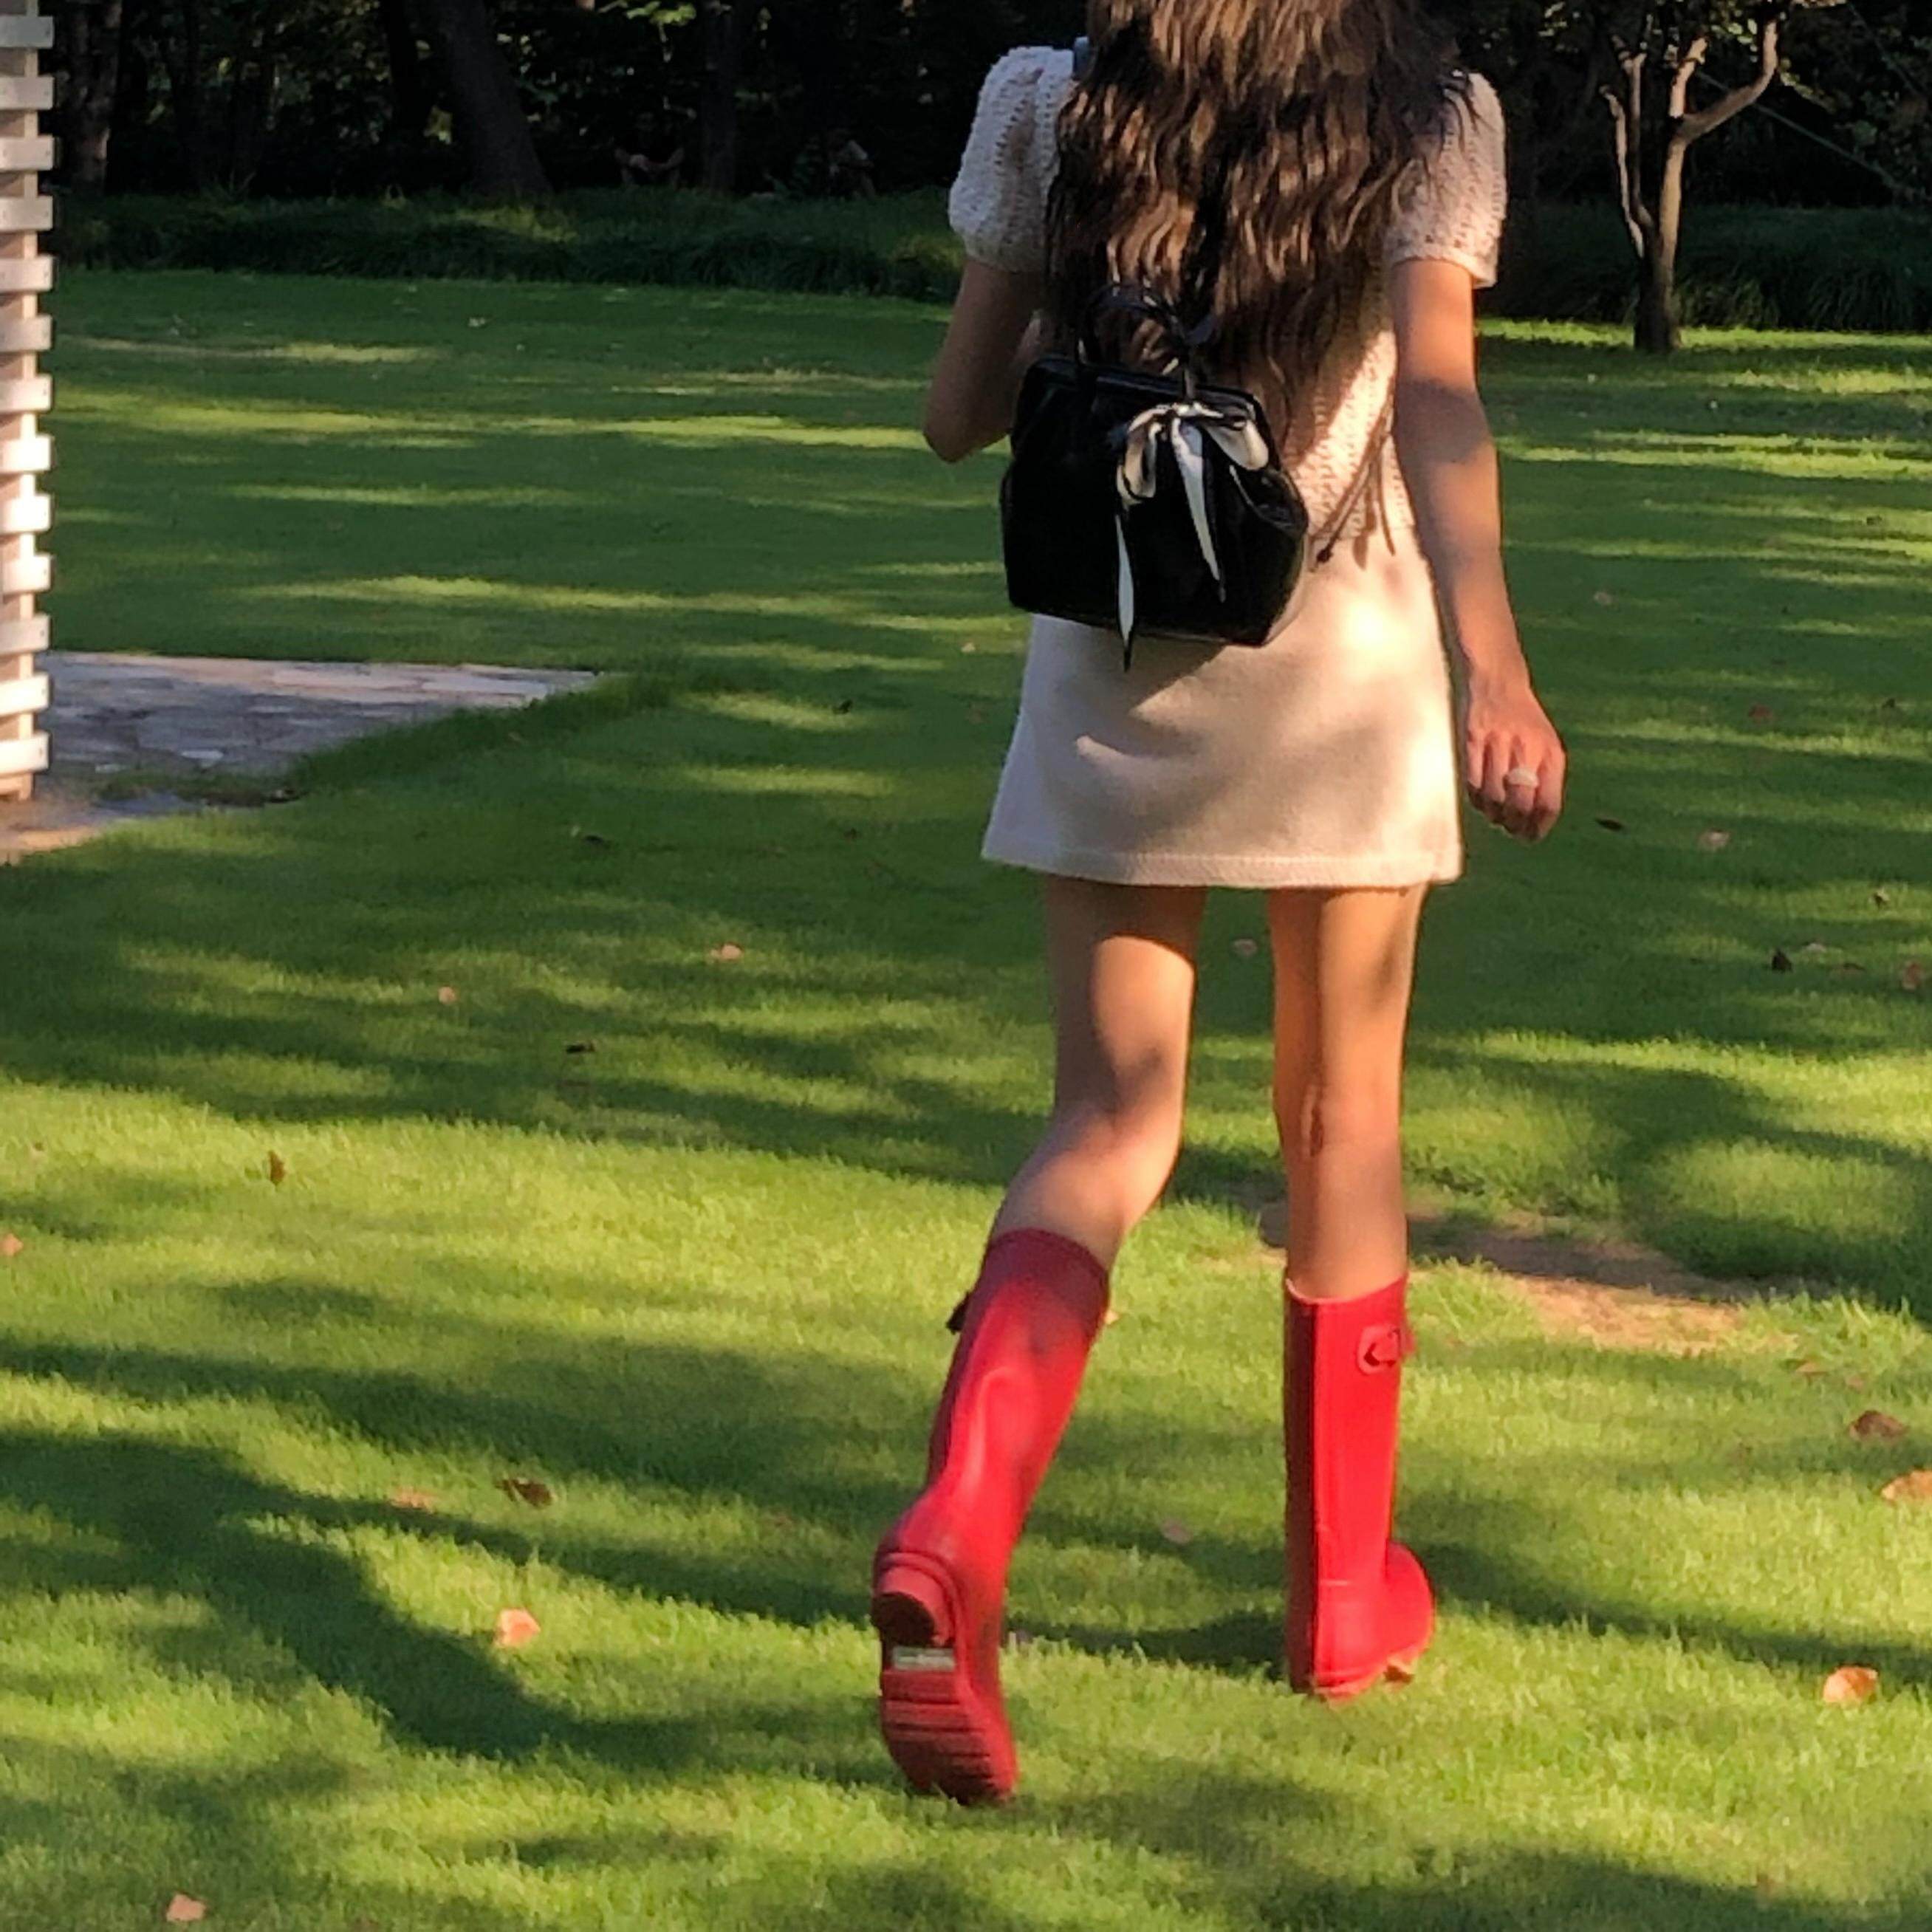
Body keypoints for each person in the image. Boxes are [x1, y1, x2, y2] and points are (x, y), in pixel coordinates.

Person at [869, 0, 1566, 1806]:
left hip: (1117, 664)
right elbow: (1437, 399)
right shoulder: (1433, 117)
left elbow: (953, 421)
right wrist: (1497, 673)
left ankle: (957, 1526)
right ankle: (1342, 1602)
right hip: (1343, 670)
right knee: (1342, 1125)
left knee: (1108, 1121)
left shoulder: (1052, 104)